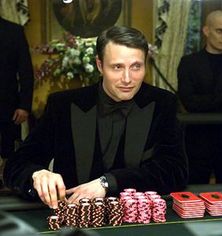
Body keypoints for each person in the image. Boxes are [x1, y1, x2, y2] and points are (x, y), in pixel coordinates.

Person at [4, 26, 188, 209]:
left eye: (136, 67)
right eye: (117, 67)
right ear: (100, 65)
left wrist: (108, 182)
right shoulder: (63, 105)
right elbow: (15, 165)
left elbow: (175, 171)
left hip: (139, 222)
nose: (127, 78)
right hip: (75, 222)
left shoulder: (164, 103)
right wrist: (36, 174)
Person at [178, 10, 222, 184]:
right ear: (206, 31)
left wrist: (209, 101)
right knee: (193, 200)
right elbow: (190, 103)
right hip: (197, 141)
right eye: (220, 31)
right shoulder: (189, 63)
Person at [0, 17, 34, 178]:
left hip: (8, 104)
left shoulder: (14, 31)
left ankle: (8, 179)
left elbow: (26, 70)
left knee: (8, 148)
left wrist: (25, 105)